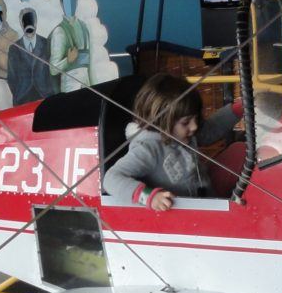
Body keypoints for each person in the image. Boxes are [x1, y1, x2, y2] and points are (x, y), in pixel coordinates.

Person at [103, 73, 242, 211]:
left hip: (207, 191)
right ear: (162, 122)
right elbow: (111, 179)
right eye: (186, 122)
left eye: (195, 119)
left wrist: (236, 110)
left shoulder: (182, 133)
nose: (194, 127)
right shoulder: (148, 149)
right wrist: (150, 197)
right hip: (190, 213)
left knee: (239, 150)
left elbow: (207, 131)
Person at [7, 7, 56, 104]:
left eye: (31, 20)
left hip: (46, 97)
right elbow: (11, 78)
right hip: (22, 99)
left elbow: (53, 72)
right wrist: (19, 93)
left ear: (36, 22)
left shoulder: (47, 44)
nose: (29, 25)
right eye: (25, 21)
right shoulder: (14, 49)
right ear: (21, 23)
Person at [49, 0, 92, 93]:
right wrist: (68, 60)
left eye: (73, 0)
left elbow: (88, 61)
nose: (70, 5)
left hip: (87, 83)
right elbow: (53, 69)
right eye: (66, 1)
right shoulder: (59, 31)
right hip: (70, 84)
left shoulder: (84, 27)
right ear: (61, 4)